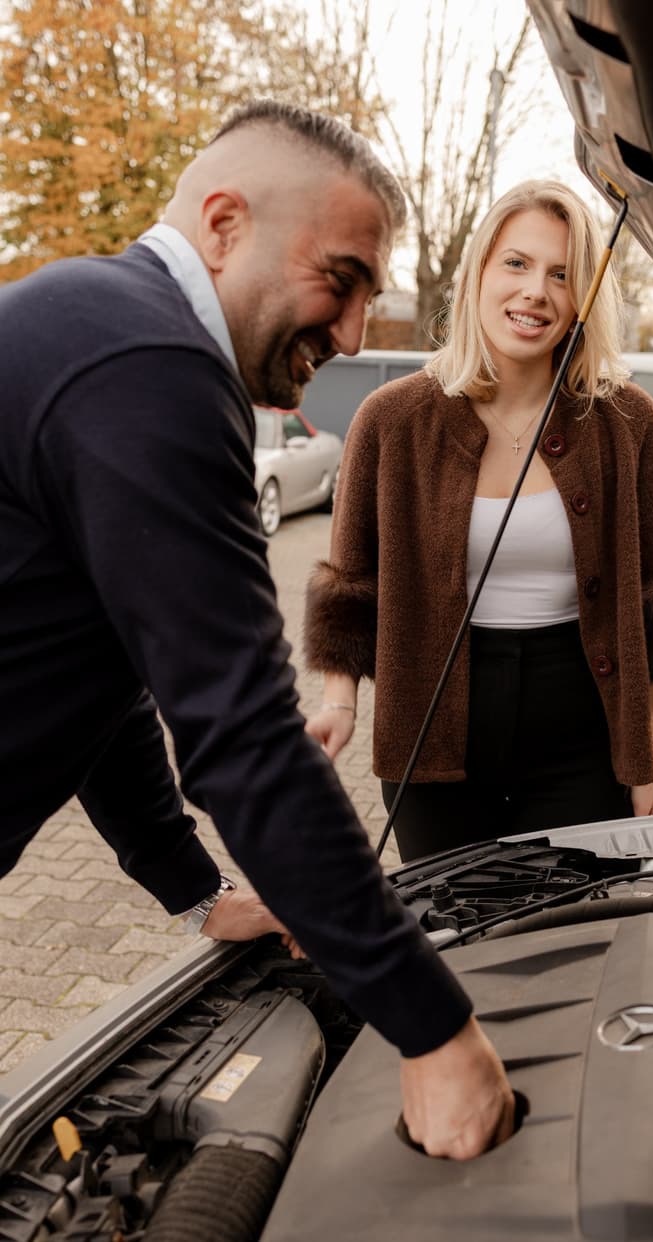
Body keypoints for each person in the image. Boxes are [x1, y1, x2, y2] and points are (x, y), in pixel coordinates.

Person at [0, 100, 514, 1160]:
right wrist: (434, 1030)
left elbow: (113, 665)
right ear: (225, 225)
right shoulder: (147, 362)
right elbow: (242, 737)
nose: (354, 334)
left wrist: (195, 891)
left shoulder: (109, 332)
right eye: (341, 279)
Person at [304, 179, 653, 862]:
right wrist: (339, 705)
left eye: (562, 274)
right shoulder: (391, 419)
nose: (536, 292)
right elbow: (352, 587)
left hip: (582, 735)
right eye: (517, 263)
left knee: (572, 921)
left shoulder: (628, 422)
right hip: (433, 734)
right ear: (478, 272)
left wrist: (645, 763)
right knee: (455, 921)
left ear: (585, 298)